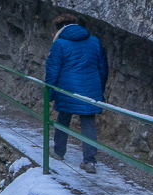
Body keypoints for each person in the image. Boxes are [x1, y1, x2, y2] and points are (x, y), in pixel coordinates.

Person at [45, 13, 109, 173]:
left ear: (59, 28)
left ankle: (59, 152)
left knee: (63, 119)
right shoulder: (94, 41)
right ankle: (90, 162)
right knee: (88, 123)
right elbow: (103, 69)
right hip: (91, 88)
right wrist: (99, 90)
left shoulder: (59, 44)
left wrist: (50, 95)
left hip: (67, 89)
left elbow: (52, 72)